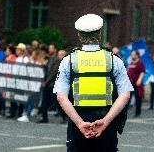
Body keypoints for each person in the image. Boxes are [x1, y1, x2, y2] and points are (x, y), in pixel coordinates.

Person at [54, 14, 133, 152]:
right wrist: (106, 121)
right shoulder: (114, 60)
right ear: (100, 33)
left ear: (79, 35)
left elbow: (61, 97)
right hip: (106, 122)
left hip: (78, 120)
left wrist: (80, 123)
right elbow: (125, 95)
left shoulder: (68, 60)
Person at [18, 49, 47, 123]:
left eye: (33, 54)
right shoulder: (32, 62)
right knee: (29, 99)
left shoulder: (39, 64)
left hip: (36, 85)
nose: (32, 56)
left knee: (31, 99)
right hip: (31, 84)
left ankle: (27, 115)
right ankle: (29, 113)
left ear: (36, 56)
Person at [38, 43, 60, 123]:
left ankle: (64, 115)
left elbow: (54, 73)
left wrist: (46, 82)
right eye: (49, 48)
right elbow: (46, 71)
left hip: (52, 84)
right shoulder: (49, 58)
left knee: (56, 101)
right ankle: (44, 117)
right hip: (47, 84)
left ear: (55, 50)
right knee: (44, 101)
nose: (49, 50)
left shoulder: (57, 59)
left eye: (51, 48)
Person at [9, 43, 30, 120]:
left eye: (18, 49)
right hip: (15, 80)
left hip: (22, 81)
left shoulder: (26, 60)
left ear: (22, 51)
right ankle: (13, 112)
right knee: (13, 96)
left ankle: (20, 112)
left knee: (21, 97)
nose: (16, 51)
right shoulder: (17, 59)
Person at [127, 50, 145, 117]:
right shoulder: (131, 63)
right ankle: (125, 112)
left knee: (138, 98)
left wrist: (139, 80)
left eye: (133, 54)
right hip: (130, 83)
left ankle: (138, 112)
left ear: (137, 55)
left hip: (137, 83)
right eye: (131, 54)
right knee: (128, 98)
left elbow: (142, 72)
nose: (132, 56)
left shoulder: (140, 63)